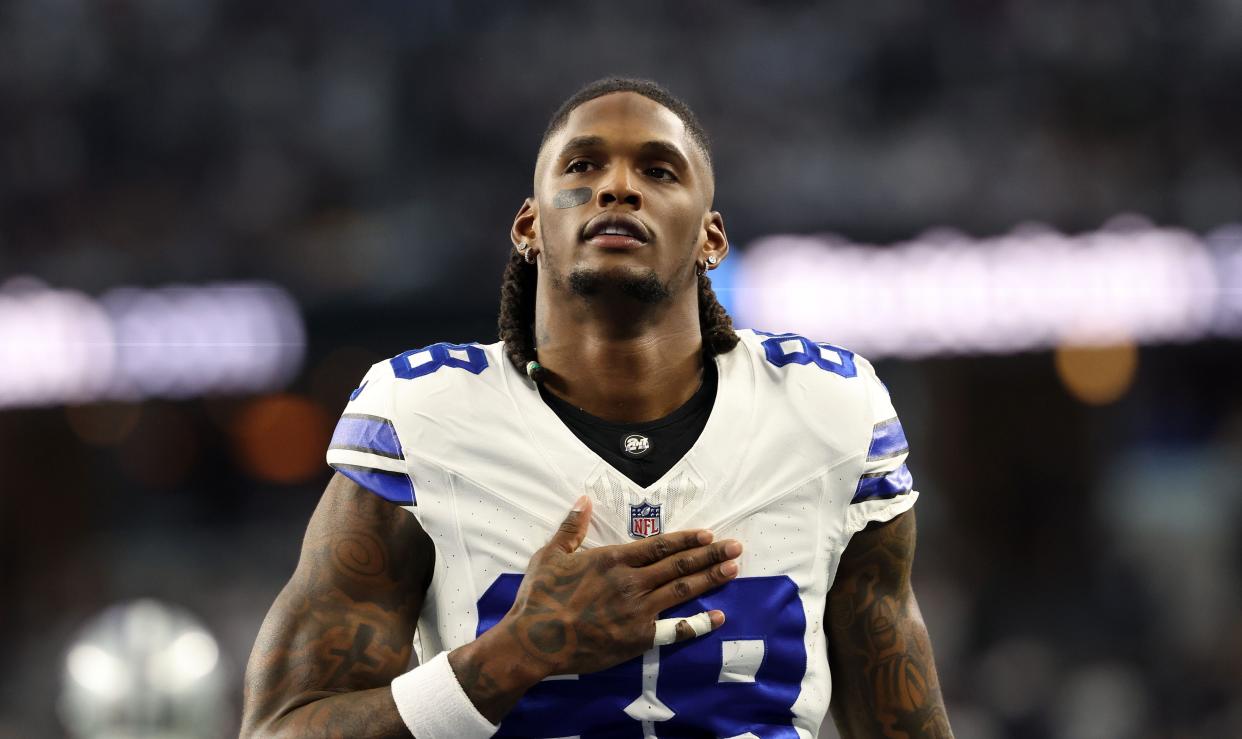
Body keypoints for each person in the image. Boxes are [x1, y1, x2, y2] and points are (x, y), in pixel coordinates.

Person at [242, 77, 953, 738]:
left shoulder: (828, 411)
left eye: (658, 170)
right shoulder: (424, 415)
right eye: (581, 168)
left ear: (711, 237)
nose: (617, 186)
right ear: (528, 227)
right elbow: (281, 725)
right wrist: (511, 655)